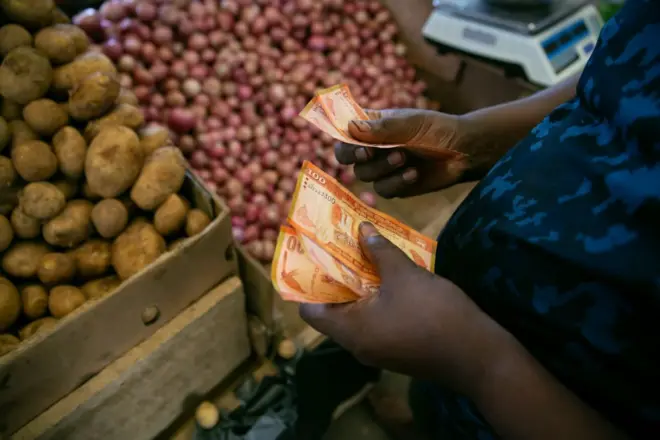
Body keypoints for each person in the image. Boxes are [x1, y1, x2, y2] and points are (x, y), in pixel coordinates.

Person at [299, 2, 659, 439]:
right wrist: (478, 138)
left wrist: (477, 362)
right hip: (466, 339)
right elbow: (626, 70)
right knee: (438, 409)